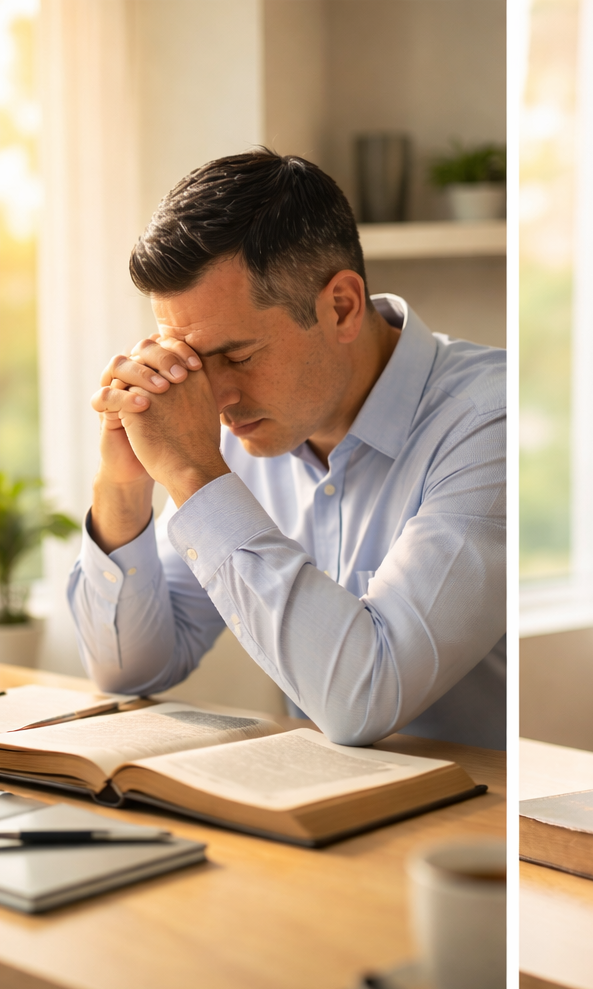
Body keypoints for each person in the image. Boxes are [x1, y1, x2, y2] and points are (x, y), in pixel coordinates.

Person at [69, 150, 506, 749]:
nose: (215, 396)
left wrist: (196, 475)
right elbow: (132, 671)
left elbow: (365, 700)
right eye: (193, 360)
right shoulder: (245, 433)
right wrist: (123, 490)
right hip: (320, 816)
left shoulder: (489, 422)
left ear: (341, 306)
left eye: (238, 356)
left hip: (480, 825)